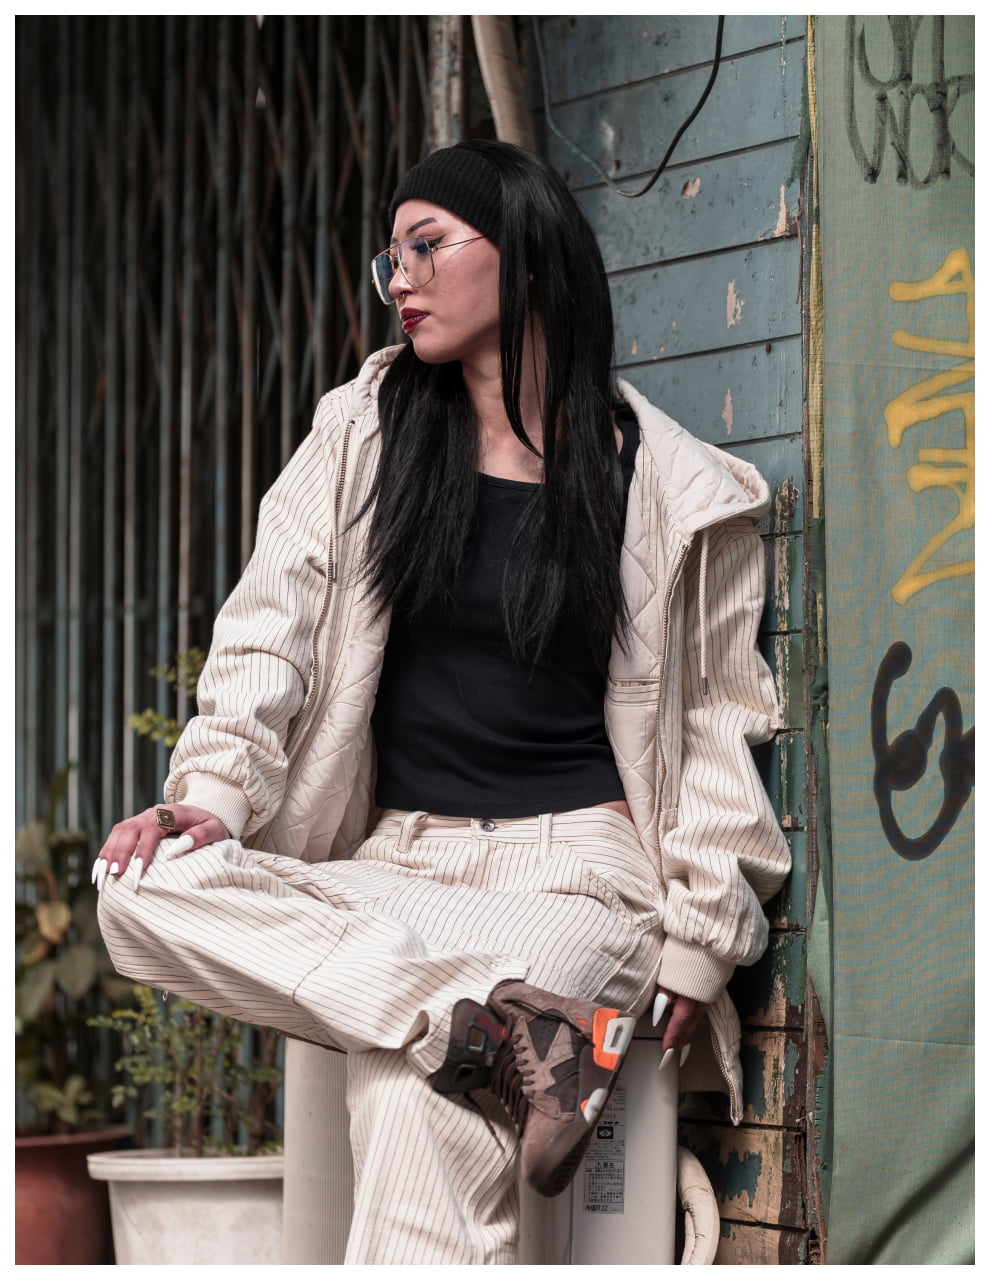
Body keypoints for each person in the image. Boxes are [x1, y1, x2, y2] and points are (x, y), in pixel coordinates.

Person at [95, 140, 790, 1265]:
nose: (399, 279)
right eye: (392, 258)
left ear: (525, 255)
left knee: (417, 1094)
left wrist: (703, 935)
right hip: (396, 865)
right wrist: (210, 801)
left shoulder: (668, 484)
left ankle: (483, 1031)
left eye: (426, 246)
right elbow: (268, 628)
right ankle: (506, 1030)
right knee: (139, 886)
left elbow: (714, 719)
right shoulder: (365, 432)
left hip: (572, 875)